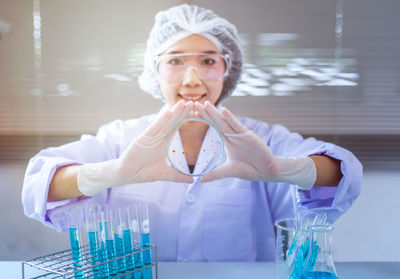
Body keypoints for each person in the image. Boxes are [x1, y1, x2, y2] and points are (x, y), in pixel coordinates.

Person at [22, 4, 362, 261]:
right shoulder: (121, 138)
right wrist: (113, 172)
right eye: (175, 61)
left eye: (208, 61)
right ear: (155, 70)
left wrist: (281, 169)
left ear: (227, 69)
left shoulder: (262, 139)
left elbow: (343, 170)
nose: (192, 79)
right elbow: (40, 182)